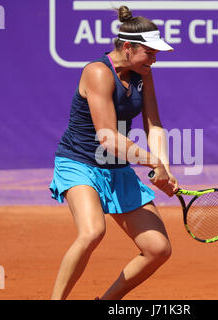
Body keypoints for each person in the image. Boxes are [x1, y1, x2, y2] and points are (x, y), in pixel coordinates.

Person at [49, 6, 179, 300]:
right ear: (129, 48)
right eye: (150, 52)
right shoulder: (97, 72)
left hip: (116, 167)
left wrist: (165, 169)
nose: (155, 59)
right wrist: (151, 160)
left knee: (158, 249)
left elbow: (154, 125)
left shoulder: (142, 74)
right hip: (79, 162)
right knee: (93, 231)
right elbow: (107, 137)